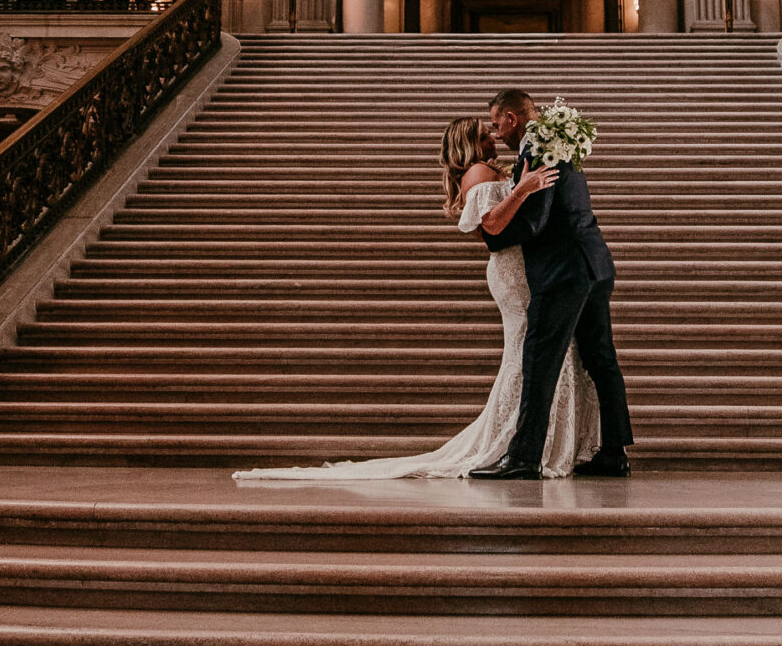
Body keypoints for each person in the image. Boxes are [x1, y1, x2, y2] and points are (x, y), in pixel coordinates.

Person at [231, 117, 599, 483]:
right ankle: (515, 444)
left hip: (526, 268)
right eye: (484, 133)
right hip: (512, 272)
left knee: (536, 351)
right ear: (469, 141)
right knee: (527, 352)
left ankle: (535, 443)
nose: (492, 136)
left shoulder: (488, 170)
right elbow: (491, 226)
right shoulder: (476, 173)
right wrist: (521, 191)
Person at [468, 86, 633, 482]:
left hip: (562, 273)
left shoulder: (536, 149)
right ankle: (614, 452)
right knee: (602, 360)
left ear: (512, 118)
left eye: (496, 125)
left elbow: (536, 221)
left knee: (539, 362)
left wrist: (490, 237)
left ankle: (524, 457)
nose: (495, 135)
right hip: (593, 262)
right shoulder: (559, 143)